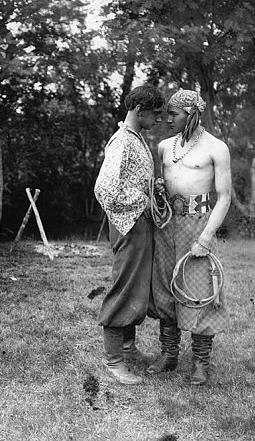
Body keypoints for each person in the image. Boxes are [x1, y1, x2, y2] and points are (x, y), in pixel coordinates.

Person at [147, 89, 231, 386]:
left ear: (192, 114)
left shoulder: (216, 148)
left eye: (174, 114)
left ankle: (200, 362)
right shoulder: (163, 147)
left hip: (198, 224)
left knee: (197, 289)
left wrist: (206, 237)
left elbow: (224, 197)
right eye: (166, 113)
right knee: (165, 287)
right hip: (166, 224)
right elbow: (161, 182)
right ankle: (169, 354)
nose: (166, 119)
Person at [93, 85, 165, 385]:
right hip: (128, 224)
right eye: (156, 114)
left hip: (139, 223)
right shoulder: (122, 141)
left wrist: (153, 190)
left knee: (138, 287)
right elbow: (105, 189)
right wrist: (142, 200)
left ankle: (128, 348)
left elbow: (131, 181)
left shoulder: (135, 139)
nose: (159, 119)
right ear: (139, 110)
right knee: (125, 287)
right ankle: (113, 361)